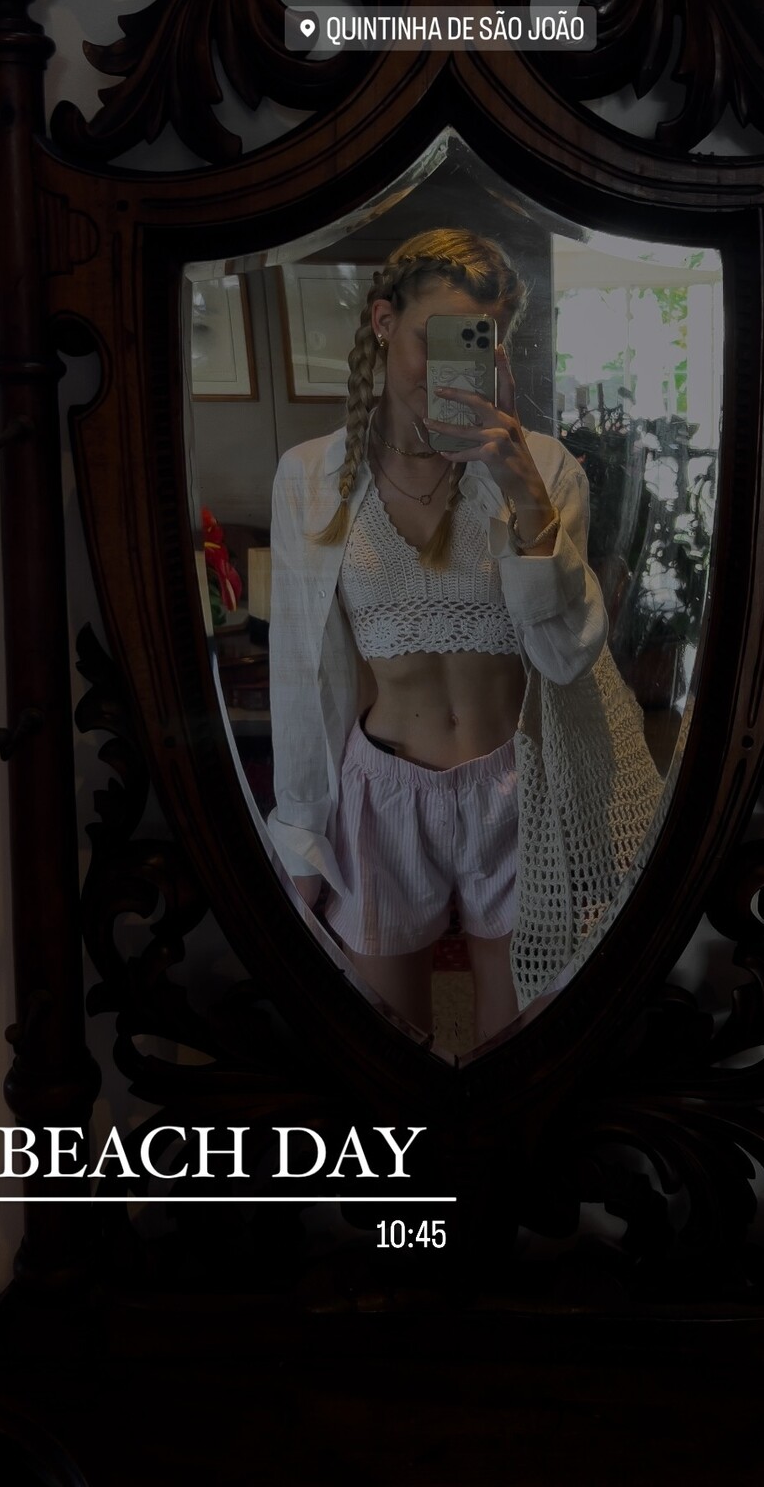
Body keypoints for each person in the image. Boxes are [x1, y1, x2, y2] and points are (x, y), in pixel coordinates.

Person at [266, 227, 609, 1047]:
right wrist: (301, 831)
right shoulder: (311, 476)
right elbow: (301, 670)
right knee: (385, 1055)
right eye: (438, 337)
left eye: (481, 340)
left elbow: (566, 657)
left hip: (519, 790)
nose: (456, 365)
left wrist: (522, 493)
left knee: (519, 1053)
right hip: (381, 797)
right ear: (384, 322)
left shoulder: (546, 469)